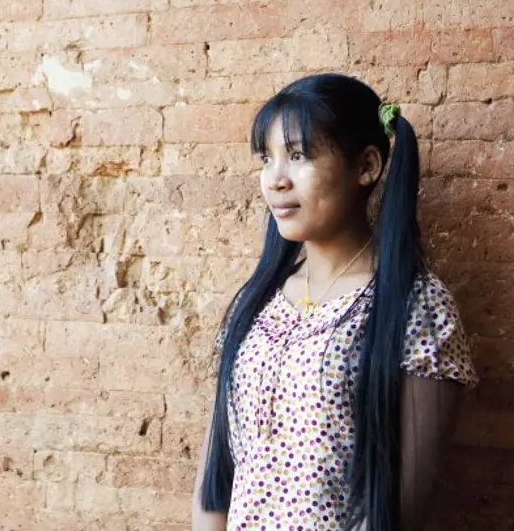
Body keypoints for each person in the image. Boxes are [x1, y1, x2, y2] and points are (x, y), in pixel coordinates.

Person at [191, 74, 477, 531]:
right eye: (267, 159)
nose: (275, 180)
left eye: (298, 155)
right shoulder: (257, 301)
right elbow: (216, 475)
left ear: (366, 165)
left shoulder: (417, 309)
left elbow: (396, 512)